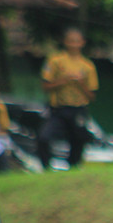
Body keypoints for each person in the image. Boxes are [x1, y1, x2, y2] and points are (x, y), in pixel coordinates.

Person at [38, 27, 98, 170]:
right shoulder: (55, 61)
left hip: (78, 109)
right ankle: (46, 167)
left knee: (79, 140)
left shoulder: (87, 66)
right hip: (58, 108)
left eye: (77, 41)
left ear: (82, 43)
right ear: (65, 42)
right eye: (71, 41)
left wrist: (81, 83)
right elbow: (45, 86)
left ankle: (73, 169)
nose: (74, 44)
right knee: (44, 137)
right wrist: (63, 81)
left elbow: (92, 96)